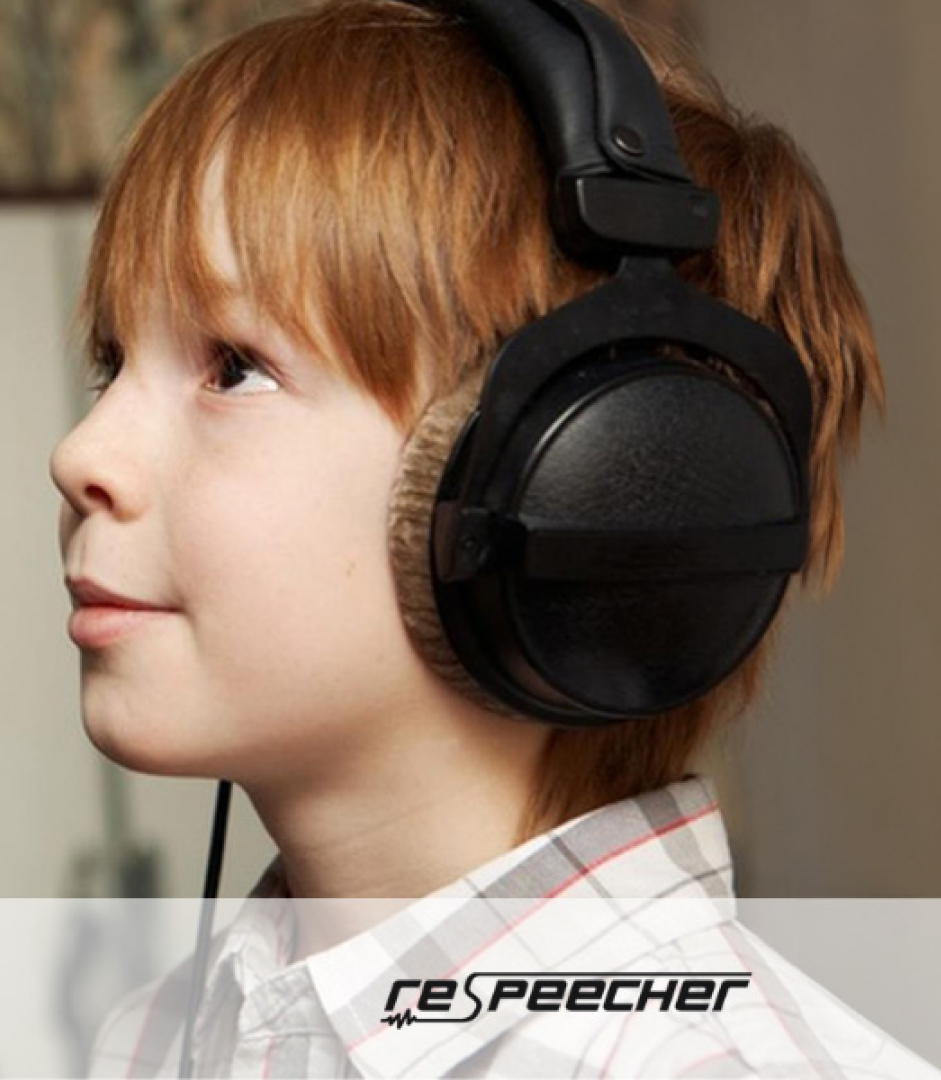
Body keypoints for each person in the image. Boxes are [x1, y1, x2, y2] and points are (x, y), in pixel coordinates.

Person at [48, 1, 934, 1076]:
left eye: (234, 365)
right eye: (110, 360)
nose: (83, 451)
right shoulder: (156, 1042)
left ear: (600, 484)